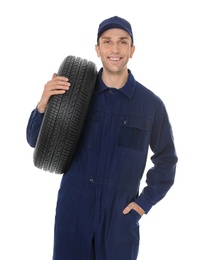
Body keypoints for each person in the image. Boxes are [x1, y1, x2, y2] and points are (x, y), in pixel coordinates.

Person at [26, 16, 178, 260]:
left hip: (119, 217)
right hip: (74, 210)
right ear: (97, 49)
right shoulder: (71, 91)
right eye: (107, 42)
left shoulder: (151, 105)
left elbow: (167, 159)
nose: (115, 49)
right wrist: (43, 104)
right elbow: (36, 141)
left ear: (132, 49)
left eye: (122, 42)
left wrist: (143, 204)